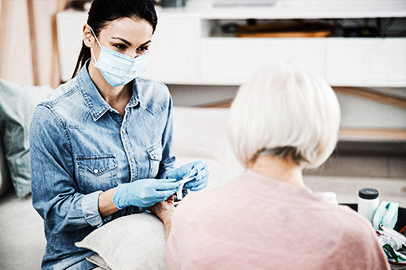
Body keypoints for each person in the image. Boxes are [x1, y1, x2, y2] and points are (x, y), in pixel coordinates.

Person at [29, 0, 209, 268]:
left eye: (142, 48)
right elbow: (55, 214)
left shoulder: (157, 98)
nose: (131, 59)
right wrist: (119, 196)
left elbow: (163, 167)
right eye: (120, 46)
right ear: (89, 36)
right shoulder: (54, 116)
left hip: (142, 238)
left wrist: (176, 180)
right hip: (80, 257)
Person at [162, 63, 389, 269]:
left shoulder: (192, 213)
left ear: (240, 125)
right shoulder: (352, 234)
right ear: (324, 132)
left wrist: (168, 216)